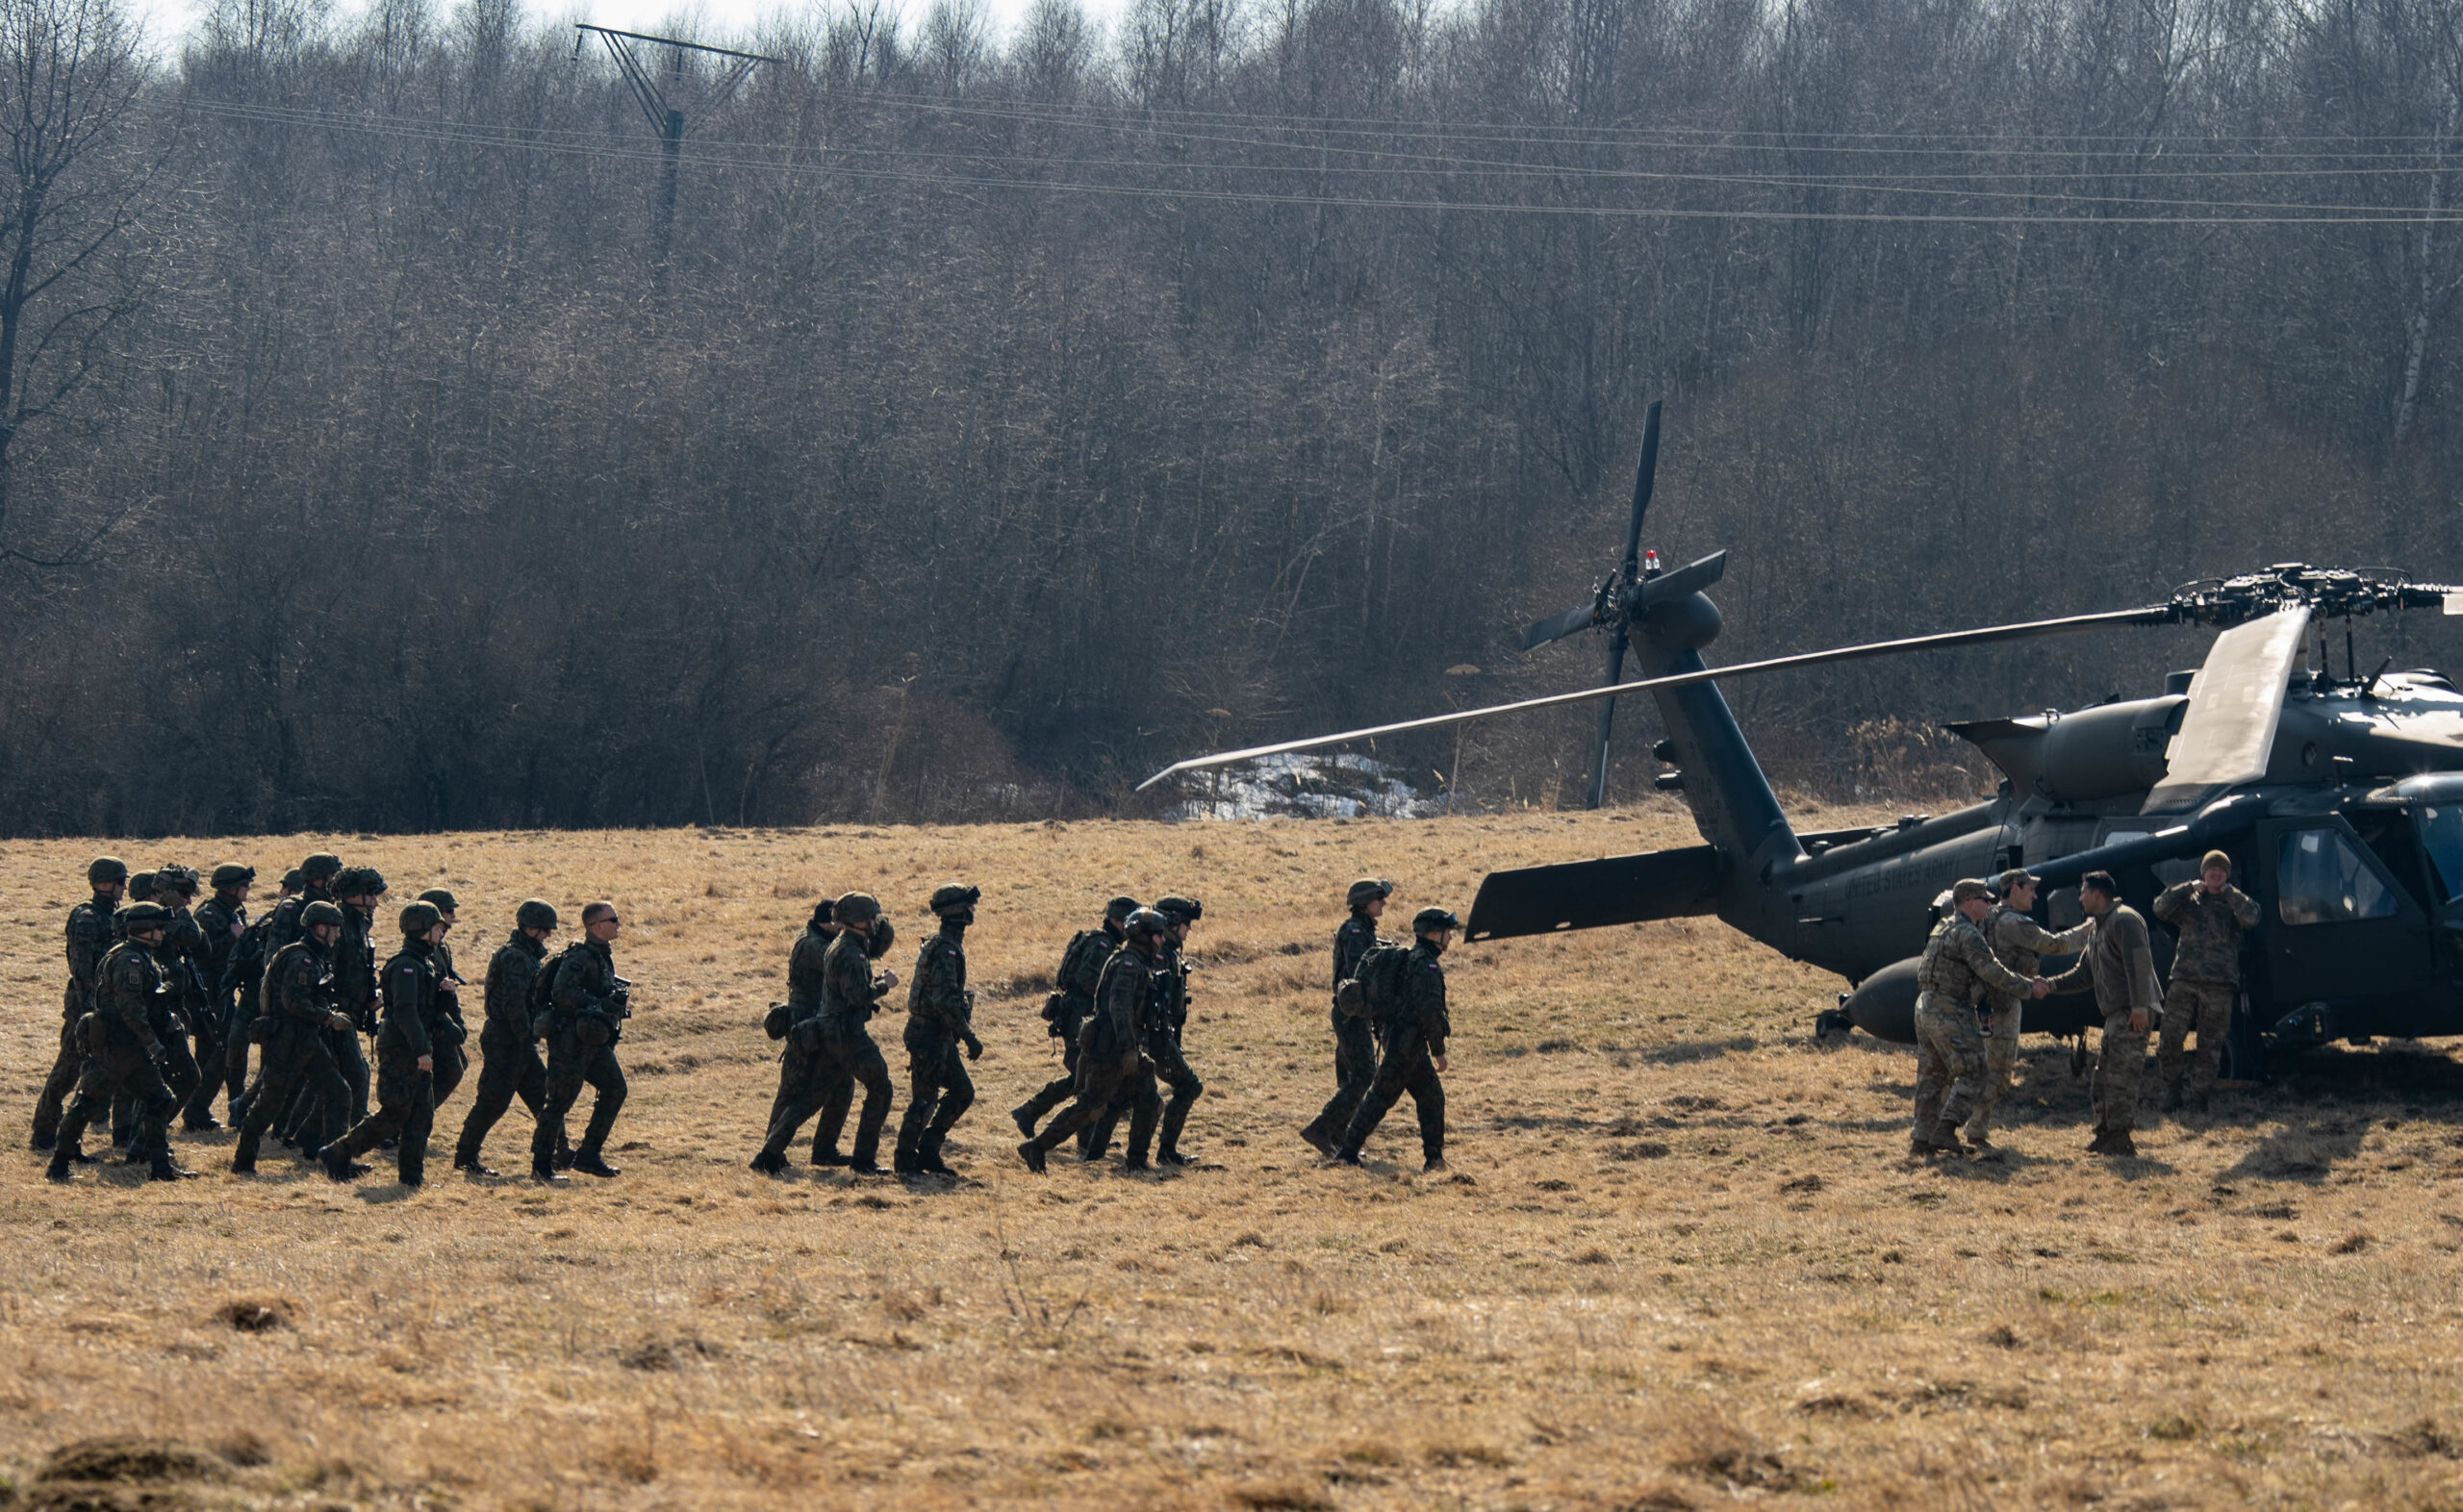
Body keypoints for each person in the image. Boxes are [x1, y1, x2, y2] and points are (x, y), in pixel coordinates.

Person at [319, 902, 468, 1188]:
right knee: (394, 1112)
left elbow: (428, 1010)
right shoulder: (405, 966)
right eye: (437, 927)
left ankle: (411, 1177)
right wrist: (422, 1050)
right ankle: (338, 1152)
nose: (441, 933)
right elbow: (405, 1012)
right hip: (401, 1049)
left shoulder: (423, 962)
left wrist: (447, 995)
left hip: (414, 1045)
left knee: (421, 1114)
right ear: (423, 930)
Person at [46, 902, 191, 1183]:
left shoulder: (140, 956)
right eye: (158, 927)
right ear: (143, 929)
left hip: (132, 1049)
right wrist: (153, 1044)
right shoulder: (129, 961)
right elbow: (131, 1009)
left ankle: (161, 1168)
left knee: (160, 1100)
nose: (163, 932)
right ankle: (58, 1165)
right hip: (117, 1048)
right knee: (87, 1102)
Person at [1017, 907, 1166, 1173]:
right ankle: (1037, 1146)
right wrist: (1129, 1050)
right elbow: (1119, 1008)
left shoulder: (1133, 962)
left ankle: (1137, 1161)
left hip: (1118, 1046)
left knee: (1149, 1099)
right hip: (1110, 1050)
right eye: (1158, 935)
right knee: (1090, 1107)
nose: (1162, 940)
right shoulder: (1128, 965)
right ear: (1144, 936)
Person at [1910, 880, 2050, 1158]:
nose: (1990, 905)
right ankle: (1946, 1129)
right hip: (1949, 1008)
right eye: (1985, 900)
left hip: (1925, 1006)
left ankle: (1921, 1140)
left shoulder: (1943, 927)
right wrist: (2028, 987)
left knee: (1932, 1075)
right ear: (1970, 903)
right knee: (1976, 1071)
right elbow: (1992, 971)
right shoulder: (1968, 933)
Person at [1965, 869, 2093, 1151]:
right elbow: (2054, 944)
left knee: (1986, 1069)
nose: (2035, 896)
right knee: (1999, 1075)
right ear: (2014, 889)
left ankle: (1968, 1126)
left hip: (1984, 1004)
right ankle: (1971, 1127)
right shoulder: (2013, 923)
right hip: (2003, 1007)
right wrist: (2086, 930)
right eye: (2030, 889)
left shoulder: (1989, 917)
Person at [231, 902, 358, 1174]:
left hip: (306, 1041)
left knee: (339, 1092)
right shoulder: (301, 960)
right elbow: (293, 1002)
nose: (337, 935)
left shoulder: (313, 957)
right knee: (269, 1104)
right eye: (335, 929)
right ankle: (243, 1162)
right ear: (320, 928)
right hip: (288, 1043)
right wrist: (329, 1018)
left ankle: (339, 1163)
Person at [1335, 906, 1460, 1172]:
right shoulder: (1425, 965)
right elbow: (1430, 1011)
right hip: (1406, 1047)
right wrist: (1439, 1051)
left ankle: (1434, 1159)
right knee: (1380, 1099)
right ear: (1432, 934)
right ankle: (1347, 1152)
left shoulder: (1415, 958)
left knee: (1431, 1097)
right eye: (1446, 932)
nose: (1450, 937)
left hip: (1405, 1044)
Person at [2049, 871, 2164, 1158]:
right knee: (2102, 1078)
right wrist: (2050, 985)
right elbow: (2083, 974)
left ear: (2097, 894)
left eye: (2083, 892)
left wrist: (2139, 1007)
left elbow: (2139, 964)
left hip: (2132, 1011)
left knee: (2121, 1077)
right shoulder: (2098, 928)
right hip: (2115, 1014)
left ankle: (2121, 1139)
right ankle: (2105, 1134)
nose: (2080, 898)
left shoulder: (2124, 920)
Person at [453, 899, 568, 1176]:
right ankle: (466, 1157)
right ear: (530, 928)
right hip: (507, 1040)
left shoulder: (526, 955)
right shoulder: (516, 958)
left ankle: (560, 1153)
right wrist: (527, 1036)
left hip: (518, 1040)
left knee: (544, 1098)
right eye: (544, 929)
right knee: (493, 1101)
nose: (548, 935)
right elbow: (513, 1004)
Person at [1012, 896, 1135, 1144]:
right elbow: (1087, 979)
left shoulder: (1098, 939)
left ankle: (1038, 1115)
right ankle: (1032, 1113)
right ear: (1118, 921)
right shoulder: (1102, 943)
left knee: (1085, 1077)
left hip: (1077, 1012)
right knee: (1087, 1075)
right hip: (1079, 1014)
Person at [2152, 850, 2260, 1113]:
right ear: (2203, 872)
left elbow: (2252, 917)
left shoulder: (2234, 903)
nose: (2216, 873)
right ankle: (2172, 1090)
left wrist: (2230, 893)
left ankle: (2198, 1098)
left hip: (2219, 984)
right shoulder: (2190, 902)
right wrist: (2188, 888)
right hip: (2184, 979)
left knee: (2210, 1045)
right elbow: (2160, 908)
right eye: (2211, 868)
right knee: (2170, 1038)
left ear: (2227, 874)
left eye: (2221, 869)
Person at [753, 899, 856, 1174]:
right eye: (841, 922)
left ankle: (824, 1150)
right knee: (792, 1091)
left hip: (819, 1026)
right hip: (805, 1030)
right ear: (830, 922)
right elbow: (838, 963)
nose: (844, 927)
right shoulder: (812, 945)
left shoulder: (817, 938)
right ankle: (772, 1152)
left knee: (842, 1084)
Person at [532, 901, 632, 1181]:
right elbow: (562, 993)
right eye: (613, 919)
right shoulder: (579, 957)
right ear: (596, 926)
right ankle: (541, 1164)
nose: (618, 924)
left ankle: (589, 1154)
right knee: (559, 1102)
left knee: (615, 1088)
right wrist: (600, 1003)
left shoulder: (600, 955)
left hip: (593, 1040)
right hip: (570, 1042)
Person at [33, 856, 127, 1152]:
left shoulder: (112, 915)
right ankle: (44, 1131)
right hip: (86, 1003)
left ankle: (75, 1133)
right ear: (104, 884)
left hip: (106, 1001)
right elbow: (82, 967)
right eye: (120, 882)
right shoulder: (86, 917)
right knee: (68, 1069)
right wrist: (91, 1005)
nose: (124, 888)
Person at [894, 886, 984, 1179]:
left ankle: (929, 1151)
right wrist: (969, 1036)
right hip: (928, 1035)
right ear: (956, 911)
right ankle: (905, 1159)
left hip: (938, 1034)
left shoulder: (947, 945)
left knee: (962, 1092)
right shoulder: (946, 949)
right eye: (969, 906)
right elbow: (944, 1001)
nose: (972, 911)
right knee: (925, 1099)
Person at [1301, 878, 1392, 1156]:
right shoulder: (1355, 931)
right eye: (1379, 899)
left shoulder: (1363, 929)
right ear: (1364, 903)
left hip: (1354, 1013)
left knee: (1353, 1076)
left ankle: (1338, 1135)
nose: (1384, 903)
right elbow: (1359, 973)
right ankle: (1321, 1128)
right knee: (1363, 1075)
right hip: (1350, 1014)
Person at [816, 893, 899, 1176]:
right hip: (847, 1033)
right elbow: (858, 996)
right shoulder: (851, 951)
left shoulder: (843, 946)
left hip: (834, 1030)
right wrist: (885, 985)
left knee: (829, 1091)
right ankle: (864, 1160)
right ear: (857, 921)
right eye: (871, 918)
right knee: (881, 1086)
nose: (876, 923)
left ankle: (820, 1151)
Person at [186, 864, 255, 1129]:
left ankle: (202, 1109)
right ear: (230, 888)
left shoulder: (232, 912)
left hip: (223, 988)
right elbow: (203, 950)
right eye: (244, 886)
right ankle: (198, 1107)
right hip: (209, 991)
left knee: (215, 1049)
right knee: (222, 1047)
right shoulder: (209, 914)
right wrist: (232, 937)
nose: (247, 890)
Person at [1147, 895, 1207, 1166]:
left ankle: (1094, 1146)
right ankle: (1166, 1152)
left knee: (1127, 1094)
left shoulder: (1164, 953)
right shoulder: (1162, 956)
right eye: (1186, 923)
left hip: (1158, 1035)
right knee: (1189, 1086)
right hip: (1156, 1037)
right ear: (1172, 923)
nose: (1189, 929)